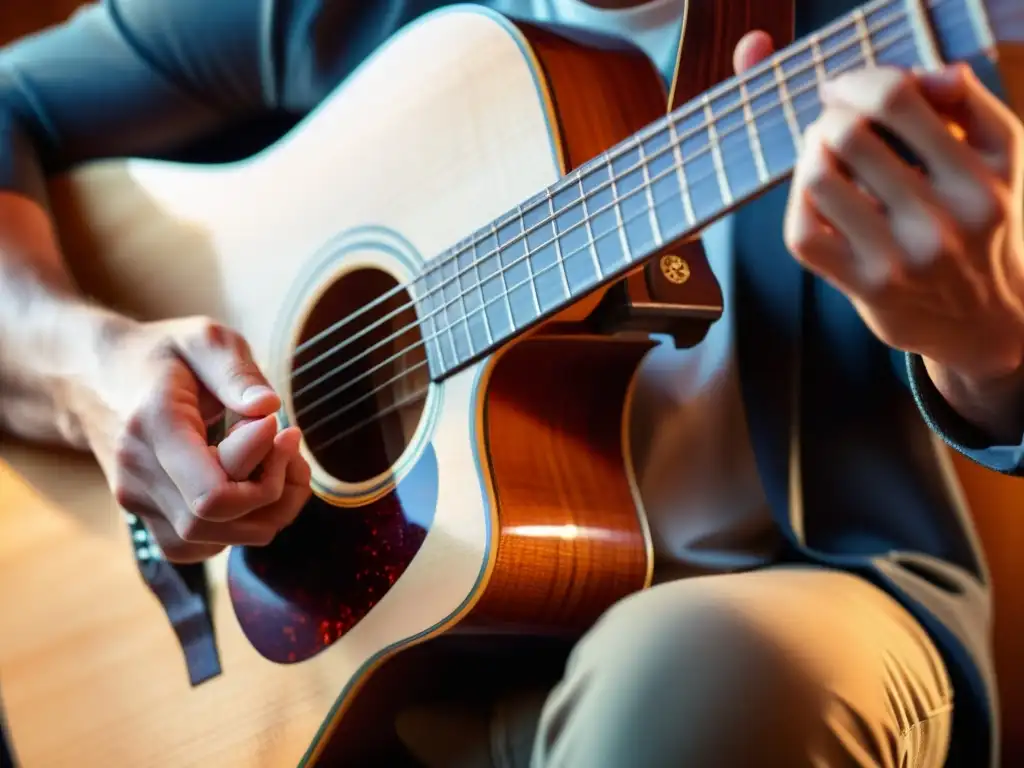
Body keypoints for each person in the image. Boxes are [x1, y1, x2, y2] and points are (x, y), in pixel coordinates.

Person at [0, 0, 1021, 765]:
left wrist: (987, 346)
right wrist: (89, 368)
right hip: (352, 681)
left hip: (763, 611)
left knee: (700, 673)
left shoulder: (890, 32)